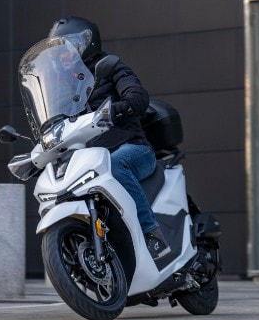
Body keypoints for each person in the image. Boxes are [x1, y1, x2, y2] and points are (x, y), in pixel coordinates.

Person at [48, 16, 171, 260]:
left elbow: (137, 96)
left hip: (132, 148)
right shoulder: (63, 86)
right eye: (59, 49)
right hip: (90, 158)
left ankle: (151, 235)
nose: (64, 54)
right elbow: (54, 121)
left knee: (115, 164)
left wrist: (116, 109)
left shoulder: (111, 67)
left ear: (87, 43)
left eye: (70, 46)